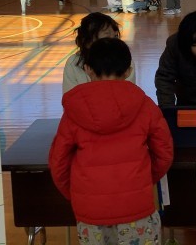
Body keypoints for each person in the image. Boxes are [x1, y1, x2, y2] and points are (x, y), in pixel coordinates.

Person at [49, 38, 173, 245]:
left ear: (87, 69)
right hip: (136, 206)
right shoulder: (145, 105)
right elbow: (164, 152)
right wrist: (143, 180)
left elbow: (58, 162)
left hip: (90, 211)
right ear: (128, 70)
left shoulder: (73, 111)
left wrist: (78, 194)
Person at [62, 12, 136, 94]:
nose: (114, 43)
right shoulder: (73, 63)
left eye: (115, 37)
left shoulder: (124, 61)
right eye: (106, 38)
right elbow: (70, 97)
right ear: (87, 42)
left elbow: (128, 95)